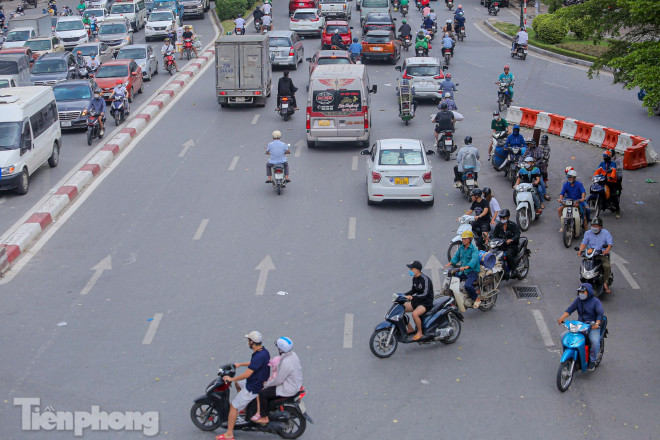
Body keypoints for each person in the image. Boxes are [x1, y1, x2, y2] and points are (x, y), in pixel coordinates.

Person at [217, 331, 270, 440]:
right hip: (257, 380)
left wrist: (231, 378)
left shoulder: (258, 355)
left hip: (254, 386)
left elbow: (247, 374)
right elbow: (254, 364)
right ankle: (246, 409)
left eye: (249, 340)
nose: (247, 342)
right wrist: (240, 364)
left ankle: (229, 434)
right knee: (238, 384)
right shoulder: (263, 351)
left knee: (233, 406)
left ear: (252, 342)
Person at [253, 337, 303, 425]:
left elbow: (278, 380)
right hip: (295, 383)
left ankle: (264, 417)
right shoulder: (293, 355)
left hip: (288, 388)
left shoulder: (286, 362)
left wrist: (266, 385)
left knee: (263, 393)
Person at [557, 284, 605, 371]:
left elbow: (600, 314)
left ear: (588, 292)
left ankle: (592, 360)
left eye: (583, 292)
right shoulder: (578, 300)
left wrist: (596, 324)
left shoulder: (596, 301)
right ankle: (568, 355)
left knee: (594, 341)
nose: (581, 294)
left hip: (591, 326)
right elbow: (570, 309)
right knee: (563, 336)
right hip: (580, 326)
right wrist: (562, 318)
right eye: (580, 292)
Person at [445, 230, 481, 308]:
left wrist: (467, 266)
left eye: (465, 239)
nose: (463, 240)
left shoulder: (474, 249)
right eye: (463, 239)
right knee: (453, 282)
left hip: (472, 271)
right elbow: (456, 257)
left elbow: (474, 260)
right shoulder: (461, 247)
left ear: (470, 239)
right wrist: (450, 263)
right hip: (463, 271)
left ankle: (476, 298)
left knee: (467, 286)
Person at [578, 218, 613, 293]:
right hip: (590, 254)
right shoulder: (588, 233)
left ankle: (605, 282)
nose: (594, 227)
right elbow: (584, 243)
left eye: (596, 226)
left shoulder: (605, 233)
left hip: (601, 254)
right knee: (583, 265)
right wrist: (580, 250)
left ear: (600, 227)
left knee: (607, 266)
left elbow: (610, 244)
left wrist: (606, 250)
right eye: (593, 226)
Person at [402, 261, 434, 341]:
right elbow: (413, 291)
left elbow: (425, 294)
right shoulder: (415, 278)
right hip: (417, 300)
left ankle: (420, 332)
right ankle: (410, 329)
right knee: (401, 308)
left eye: (411, 268)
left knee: (415, 314)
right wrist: (403, 295)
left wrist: (412, 297)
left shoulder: (425, 279)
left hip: (426, 302)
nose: (410, 270)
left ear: (417, 270)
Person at [594, 150, 620, 217]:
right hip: (603, 180)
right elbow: (597, 171)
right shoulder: (602, 164)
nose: (604, 158)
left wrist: (611, 177)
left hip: (611, 182)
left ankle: (618, 210)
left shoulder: (612, 164)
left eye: (606, 157)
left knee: (613, 195)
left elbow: (613, 171)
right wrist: (595, 176)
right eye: (604, 156)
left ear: (609, 157)